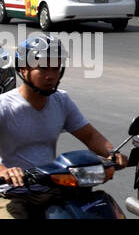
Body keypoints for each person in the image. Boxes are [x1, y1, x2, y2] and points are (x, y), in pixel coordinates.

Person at [0, 36, 127, 219]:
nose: (50, 75)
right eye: (42, 68)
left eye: (55, 68)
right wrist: (4, 171)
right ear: (23, 69)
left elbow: (90, 135)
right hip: (12, 193)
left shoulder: (61, 100)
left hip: (55, 189)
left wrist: (111, 152)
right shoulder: (4, 105)